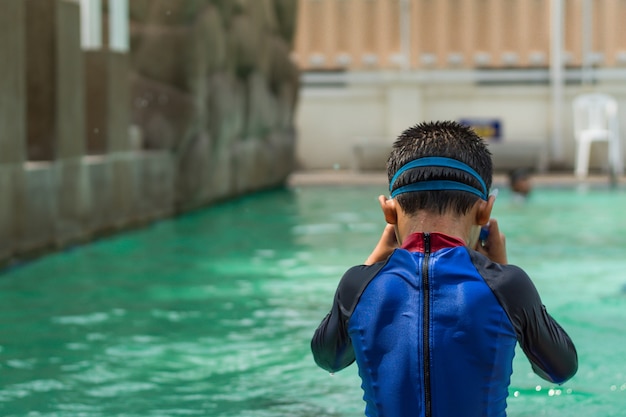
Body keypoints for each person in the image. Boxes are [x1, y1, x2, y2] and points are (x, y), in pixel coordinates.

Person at [310, 121, 577, 417]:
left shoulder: (358, 285)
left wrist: (369, 267)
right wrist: (502, 270)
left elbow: (328, 358)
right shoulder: (507, 285)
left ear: (388, 211)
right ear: (484, 211)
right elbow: (559, 369)